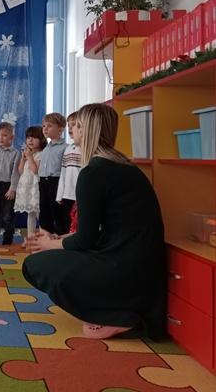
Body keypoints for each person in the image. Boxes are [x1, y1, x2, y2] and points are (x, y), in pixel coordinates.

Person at [23, 103, 166, 340]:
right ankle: (115, 308)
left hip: (125, 266)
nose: (72, 130)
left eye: (77, 125)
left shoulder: (94, 172)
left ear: (88, 130)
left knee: (35, 264)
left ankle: (117, 316)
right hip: (141, 263)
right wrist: (60, 238)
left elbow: (85, 240)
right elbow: (105, 228)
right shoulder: (123, 165)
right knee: (56, 254)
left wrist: (48, 244)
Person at [14, 126, 46, 243]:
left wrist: (29, 157)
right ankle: (30, 237)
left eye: (34, 137)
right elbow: (20, 171)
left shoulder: (41, 154)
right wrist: (23, 159)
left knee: (39, 213)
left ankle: (44, 238)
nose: (30, 140)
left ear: (42, 139)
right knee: (30, 213)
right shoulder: (28, 154)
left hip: (35, 187)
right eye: (28, 138)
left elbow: (35, 170)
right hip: (27, 187)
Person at [39, 112, 68, 234]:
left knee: (57, 210)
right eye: (44, 126)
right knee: (44, 209)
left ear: (60, 129)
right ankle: (46, 234)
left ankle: (60, 235)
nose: (45, 129)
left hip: (56, 181)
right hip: (43, 181)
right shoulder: (46, 148)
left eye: (49, 126)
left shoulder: (65, 148)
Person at [56, 111, 82, 234]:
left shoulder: (87, 149)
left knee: (78, 225)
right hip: (67, 195)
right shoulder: (68, 149)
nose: (70, 128)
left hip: (80, 196)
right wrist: (60, 194)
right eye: (69, 125)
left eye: (74, 125)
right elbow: (63, 173)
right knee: (67, 223)